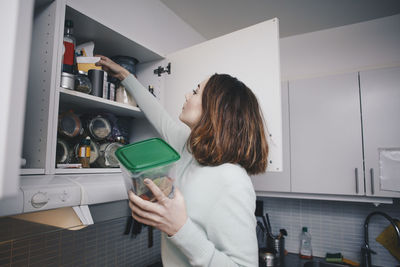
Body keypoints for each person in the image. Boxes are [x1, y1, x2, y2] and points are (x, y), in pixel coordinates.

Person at [96, 56, 269, 267]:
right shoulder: (190, 149)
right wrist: (126, 77)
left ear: (216, 109)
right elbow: (159, 116)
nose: (188, 95)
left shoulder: (232, 179)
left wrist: (179, 228)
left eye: (196, 92)